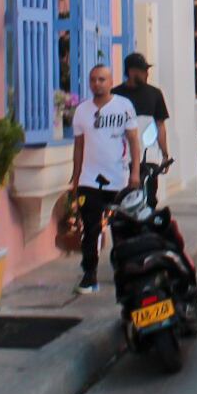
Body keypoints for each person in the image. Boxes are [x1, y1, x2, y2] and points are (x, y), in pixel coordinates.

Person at [69, 64, 142, 293]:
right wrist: (76, 177)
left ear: (110, 82)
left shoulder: (123, 107)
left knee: (121, 229)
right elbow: (78, 147)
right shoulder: (82, 111)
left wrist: (135, 173)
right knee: (90, 230)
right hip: (90, 180)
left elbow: (133, 141)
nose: (97, 84)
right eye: (93, 80)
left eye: (102, 79)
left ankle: (126, 272)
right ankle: (89, 274)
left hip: (119, 179)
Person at [112, 52, 170, 198]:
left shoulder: (155, 93)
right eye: (142, 70)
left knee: (149, 196)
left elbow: (160, 125)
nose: (146, 74)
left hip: (148, 156)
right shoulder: (115, 95)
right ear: (131, 72)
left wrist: (164, 154)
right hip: (122, 158)